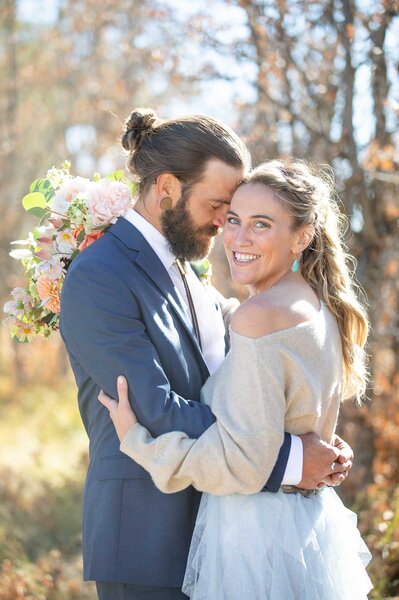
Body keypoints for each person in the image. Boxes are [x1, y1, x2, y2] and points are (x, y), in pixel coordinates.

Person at [60, 109, 353, 600]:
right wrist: (288, 456)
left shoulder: (188, 269)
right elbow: (154, 409)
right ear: (168, 188)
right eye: (221, 206)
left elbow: (240, 379)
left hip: (221, 525)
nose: (226, 225)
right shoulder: (100, 275)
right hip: (148, 536)